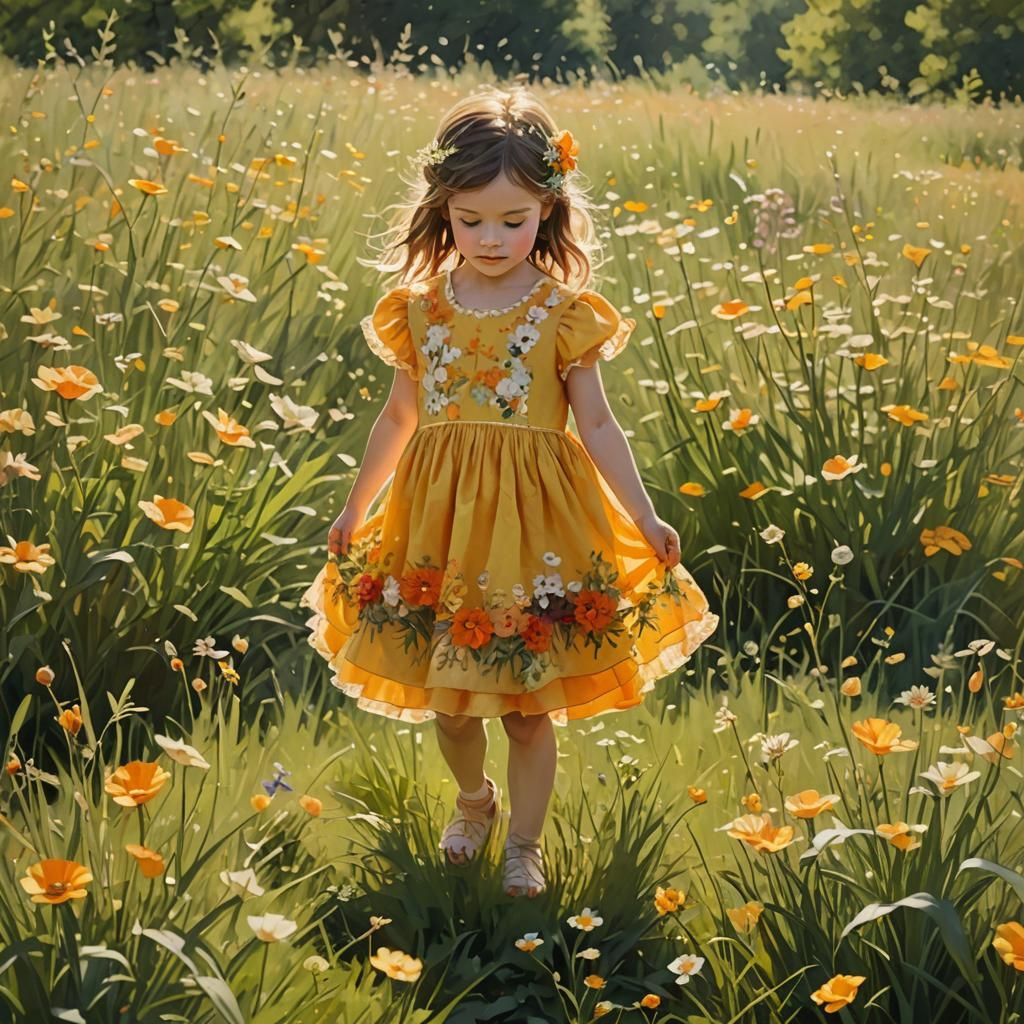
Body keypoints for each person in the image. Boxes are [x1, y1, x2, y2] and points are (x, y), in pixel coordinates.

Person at [301, 86, 719, 900]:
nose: (491, 238)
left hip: (536, 530)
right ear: (443, 213)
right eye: (470, 220)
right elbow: (398, 414)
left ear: (548, 212)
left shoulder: (564, 313)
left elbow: (597, 426)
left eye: (513, 220)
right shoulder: (419, 312)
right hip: (438, 527)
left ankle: (524, 845)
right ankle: (473, 801)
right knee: (451, 704)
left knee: (526, 706)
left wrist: (644, 513)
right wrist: (356, 506)